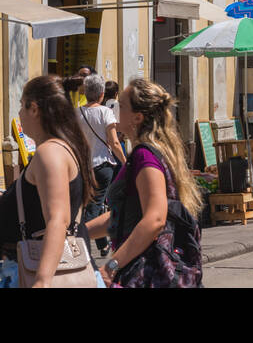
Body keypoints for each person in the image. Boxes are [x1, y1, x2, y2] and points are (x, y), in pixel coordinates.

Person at [0, 75, 95, 288]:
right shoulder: (62, 148)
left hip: (46, 275)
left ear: (34, 109)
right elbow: (43, 200)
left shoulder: (50, 153)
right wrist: (3, 197)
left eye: (22, 105)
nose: (19, 113)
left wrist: (42, 281)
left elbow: (58, 220)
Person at [85, 78, 203, 287]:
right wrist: (79, 232)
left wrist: (112, 266)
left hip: (145, 272)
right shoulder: (151, 153)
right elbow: (122, 216)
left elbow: (155, 219)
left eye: (121, 106)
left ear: (137, 117)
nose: (114, 111)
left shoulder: (144, 156)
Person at [77, 74, 125, 256]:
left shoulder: (77, 112)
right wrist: (126, 162)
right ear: (101, 94)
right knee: (96, 206)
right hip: (103, 165)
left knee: (88, 205)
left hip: (83, 166)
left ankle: (101, 245)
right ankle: (85, 246)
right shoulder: (106, 112)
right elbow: (114, 142)